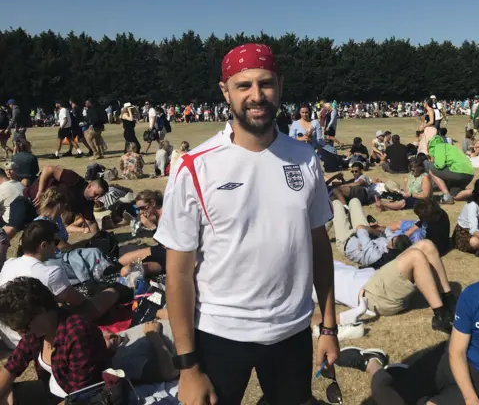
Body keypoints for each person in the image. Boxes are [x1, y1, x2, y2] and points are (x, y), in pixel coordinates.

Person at [155, 43, 338, 405]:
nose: (257, 96)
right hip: (220, 333)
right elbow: (177, 274)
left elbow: (319, 247)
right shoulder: (194, 165)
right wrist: (188, 367)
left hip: (292, 330)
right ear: (225, 91)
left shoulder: (305, 158)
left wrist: (328, 327)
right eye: (244, 86)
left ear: (280, 86)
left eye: (265, 84)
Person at [336, 241, 479, 405]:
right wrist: (469, 399)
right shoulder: (474, 294)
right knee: (386, 394)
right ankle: (373, 363)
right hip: (454, 361)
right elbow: (457, 350)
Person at [0, 221, 125, 349]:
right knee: (110, 293)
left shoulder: (9, 264)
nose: (57, 246)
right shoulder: (50, 273)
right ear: (44, 245)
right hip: (40, 335)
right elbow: (80, 302)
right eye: (55, 242)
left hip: (12, 338)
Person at [0, 277, 111, 404]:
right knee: (4, 396)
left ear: (41, 311)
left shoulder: (78, 334)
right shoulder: (38, 332)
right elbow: (13, 366)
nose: (22, 334)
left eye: (25, 327)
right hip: (52, 389)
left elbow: (81, 395)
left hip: (75, 398)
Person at [333, 197, 412, 268]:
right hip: (363, 232)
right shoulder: (395, 245)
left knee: (336, 203)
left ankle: (346, 213)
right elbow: (386, 230)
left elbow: (360, 228)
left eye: (393, 239)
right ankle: (347, 211)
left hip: (346, 240)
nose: (392, 237)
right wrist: (377, 231)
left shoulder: (375, 256)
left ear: (392, 247)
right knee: (354, 201)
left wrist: (375, 232)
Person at [426, 135, 475, 205]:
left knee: (432, 170)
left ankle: (446, 196)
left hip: (459, 171)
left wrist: (433, 163)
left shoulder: (439, 146)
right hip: (469, 173)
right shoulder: (450, 147)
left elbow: (440, 165)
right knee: (454, 195)